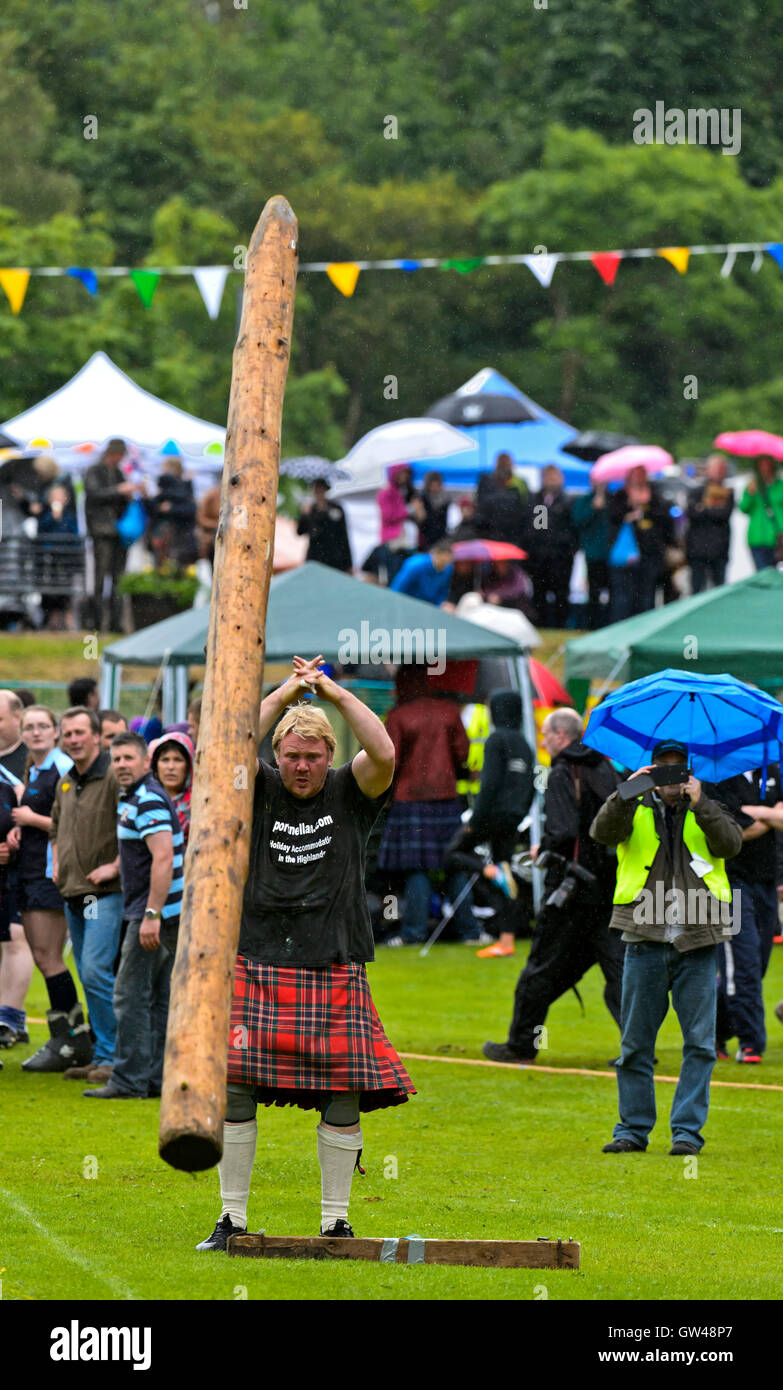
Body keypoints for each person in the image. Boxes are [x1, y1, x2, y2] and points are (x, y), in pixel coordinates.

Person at [196, 656, 414, 1251]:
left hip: (332, 956)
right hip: (259, 955)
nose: (301, 766)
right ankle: (232, 1220)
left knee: (343, 1089)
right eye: (291, 754)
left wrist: (334, 694)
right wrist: (287, 690)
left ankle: (336, 1221)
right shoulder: (258, 785)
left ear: (329, 756)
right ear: (278, 754)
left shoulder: (351, 789)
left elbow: (386, 752)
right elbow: (225, 746)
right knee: (235, 1086)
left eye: (313, 757)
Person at [590, 740, 742, 1155]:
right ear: (651, 771)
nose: (671, 778)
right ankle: (632, 1131)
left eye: (678, 770)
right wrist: (625, 793)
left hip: (698, 939)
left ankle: (686, 1134)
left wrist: (702, 803)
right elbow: (600, 834)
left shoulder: (707, 804)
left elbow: (731, 845)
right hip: (644, 937)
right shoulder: (632, 805)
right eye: (663, 769)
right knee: (635, 1044)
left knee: (699, 1044)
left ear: (690, 773)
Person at [483, 709, 624, 1061]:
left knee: (540, 968)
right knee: (618, 972)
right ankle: (637, 1048)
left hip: (571, 889)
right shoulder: (606, 768)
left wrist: (542, 848)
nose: (543, 742)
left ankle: (520, 1045)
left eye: (546, 735)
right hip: (609, 887)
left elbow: (562, 832)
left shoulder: (563, 771)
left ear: (562, 736)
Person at [84, 731, 183, 1100]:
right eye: (116, 759)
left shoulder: (147, 800)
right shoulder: (138, 798)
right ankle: (153, 1080)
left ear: (146, 762)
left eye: (129, 758)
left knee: (128, 995)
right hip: (160, 911)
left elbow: (163, 858)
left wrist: (152, 914)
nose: (122, 765)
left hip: (155, 913)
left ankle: (127, 1081)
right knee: (155, 997)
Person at [38, 707, 123, 1078]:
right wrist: (57, 864)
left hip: (100, 893)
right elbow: (56, 829)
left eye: (79, 733)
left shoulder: (115, 777)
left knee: (95, 971)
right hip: (74, 892)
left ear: (94, 734)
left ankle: (114, 1057)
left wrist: (116, 866)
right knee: (89, 971)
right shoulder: (65, 781)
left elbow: (136, 828)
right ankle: (103, 1054)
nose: (72, 740)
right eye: (67, 734)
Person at [377, 666, 487, 946]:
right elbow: (463, 754)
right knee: (455, 865)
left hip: (409, 801)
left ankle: (413, 933)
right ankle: (471, 932)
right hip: (446, 800)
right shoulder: (449, 711)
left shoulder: (398, 716)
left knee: (416, 868)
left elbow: (390, 760)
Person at [3, 707, 76, 1060]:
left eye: (42, 727)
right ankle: (65, 1036)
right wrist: (20, 829)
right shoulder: (34, 767)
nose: (35, 733)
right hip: (29, 872)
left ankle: (72, 1038)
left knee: (50, 958)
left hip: (51, 874)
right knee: (43, 957)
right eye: (29, 727)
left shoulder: (61, 766)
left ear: (55, 731)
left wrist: (31, 819)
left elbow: (72, 823)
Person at [445, 689, 535, 958]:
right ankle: (506, 941)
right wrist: (519, 813)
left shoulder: (497, 740)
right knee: (507, 874)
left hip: (492, 814)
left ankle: (490, 872)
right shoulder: (524, 743)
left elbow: (490, 784)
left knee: (453, 854)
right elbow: (531, 784)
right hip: (514, 816)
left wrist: (475, 820)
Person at [711, 766, 782, 1062]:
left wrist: (753, 813)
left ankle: (712, 1029)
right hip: (729, 885)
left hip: (764, 883)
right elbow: (729, 834)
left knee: (759, 963)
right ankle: (751, 1042)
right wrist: (770, 815)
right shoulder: (717, 776)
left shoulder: (773, 771)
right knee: (743, 965)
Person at [0, 690, 34, 1048]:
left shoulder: (29, 761)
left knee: (17, 938)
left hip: (24, 871)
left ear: (16, 719)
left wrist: (18, 836)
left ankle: (11, 1016)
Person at [607, 466, 675, 622]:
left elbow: (665, 521)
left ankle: (644, 627)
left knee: (646, 595)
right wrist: (629, 506)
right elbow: (612, 518)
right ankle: (620, 628)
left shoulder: (655, 496)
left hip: (650, 553)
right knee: (623, 595)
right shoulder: (620, 496)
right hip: (626, 555)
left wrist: (648, 504)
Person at [84, 438, 135, 631]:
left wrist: (128, 494)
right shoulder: (94, 471)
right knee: (99, 578)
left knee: (118, 579)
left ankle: (115, 623)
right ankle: (95, 622)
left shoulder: (118, 472)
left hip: (118, 532)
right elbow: (94, 494)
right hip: (101, 531)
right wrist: (118, 490)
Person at [526, 466, 578, 629]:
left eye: (554, 477)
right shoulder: (536, 500)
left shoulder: (568, 501)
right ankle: (541, 626)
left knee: (561, 594)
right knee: (540, 593)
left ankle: (561, 626)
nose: (551, 480)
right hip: (540, 557)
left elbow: (573, 530)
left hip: (561, 557)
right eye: (548, 477)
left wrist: (568, 549)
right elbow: (536, 528)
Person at [686, 455, 734, 593]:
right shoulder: (696, 491)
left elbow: (723, 514)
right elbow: (692, 514)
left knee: (719, 590)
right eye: (716, 469)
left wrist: (705, 509)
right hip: (698, 549)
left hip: (719, 549)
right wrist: (710, 510)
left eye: (722, 469)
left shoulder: (728, 492)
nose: (719, 472)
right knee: (697, 588)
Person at [36, 482, 80, 630]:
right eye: (55, 497)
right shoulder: (45, 516)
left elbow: (75, 534)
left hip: (66, 559)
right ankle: (51, 619)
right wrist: (52, 517)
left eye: (60, 496)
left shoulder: (69, 517)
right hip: (50, 559)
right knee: (50, 590)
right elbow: (41, 532)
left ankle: (68, 618)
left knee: (66, 589)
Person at [144, 456, 198, 568]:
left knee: (177, 567)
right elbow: (152, 509)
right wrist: (145, 498)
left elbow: (191, 510)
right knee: (162, 565)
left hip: (180, 536)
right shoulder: (164, 486)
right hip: (163, 535)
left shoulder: (184, 487)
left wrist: (172, 508)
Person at [570, 483, 610, 630]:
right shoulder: (584, 501)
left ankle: (607, 625)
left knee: (612, 594)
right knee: (593, 594)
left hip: (611, 555)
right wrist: (593, 508)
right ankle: (592, 626)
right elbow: (577, 521)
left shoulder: (613, 499)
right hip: (592, 554)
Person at [296, 478, 353, 571]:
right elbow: (300, 532)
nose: (318, 492)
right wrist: (305, 515)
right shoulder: (310, 509)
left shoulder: (336, 509)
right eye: (316, 489)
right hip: (315, 556)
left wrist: (348, 563)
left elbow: (343, 536)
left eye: (320, 489)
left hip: (335, 558)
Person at [149, 732, 194, 846]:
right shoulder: (147, 802)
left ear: (188, 766)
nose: (170, 767)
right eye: (165, 760)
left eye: (178, 760)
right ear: (155, 766)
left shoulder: (198, 805)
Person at [738, 455, 783, 570]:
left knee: (773, 573)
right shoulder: (753, 485)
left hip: (777, 536)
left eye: (767, 465)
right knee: (762, 573)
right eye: (762, 465)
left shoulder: (779, 486)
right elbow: (744, 508)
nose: (765, 468)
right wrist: (749, 494)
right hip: (757, 536)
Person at [476, 453, 529, 545]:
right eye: (502, 462)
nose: (504, 465)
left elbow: (526, 505)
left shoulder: (520, 483)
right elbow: (481, 506)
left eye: (507, 462)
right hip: (491, 532)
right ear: (496, 464)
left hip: (514, 533)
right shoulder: (486, 481)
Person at [390, 539, 454, 606]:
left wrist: (438, 605)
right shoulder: (415, 565)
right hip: (406, 603)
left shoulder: (448, 569)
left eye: (447, 563)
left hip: (427, 608)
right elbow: (398, 588)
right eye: (442, 561)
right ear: (434, 554)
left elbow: (442, 592)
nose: (444, 566)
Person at [415, 472, 450, 550]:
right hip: (426, 538)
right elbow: (421, 520)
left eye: (436, 485)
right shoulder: (422, 499)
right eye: (432, 486)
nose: (434, 488)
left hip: (440, 537)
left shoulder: (445, 500)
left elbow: (445, 521)